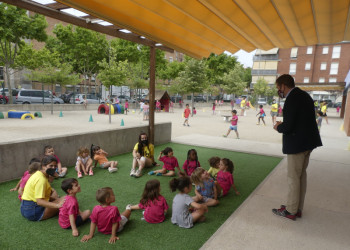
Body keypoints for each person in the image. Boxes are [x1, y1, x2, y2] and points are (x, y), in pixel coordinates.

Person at [272, 74, 322, 220]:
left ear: (283, 86)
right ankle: (296, 207)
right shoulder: (304, 95)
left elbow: (288, 126)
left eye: (278, 87)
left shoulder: (292, 99)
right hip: (308, 142)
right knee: (301, 176)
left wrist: (278, 127)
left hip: (297, 144)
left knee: (293, 177)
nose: (278, 90)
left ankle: (291, 211)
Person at [20, 155, 65, 221]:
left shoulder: (38, 173)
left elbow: (44, 194)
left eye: (55, 166)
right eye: (51, 166)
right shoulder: (41, 180)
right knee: (66, 199)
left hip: (24, 209)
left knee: (56, 195)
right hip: (34, 212)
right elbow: (39, 202)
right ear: (43, 166)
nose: (53, 168)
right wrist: (57, 205)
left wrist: (55, 199)